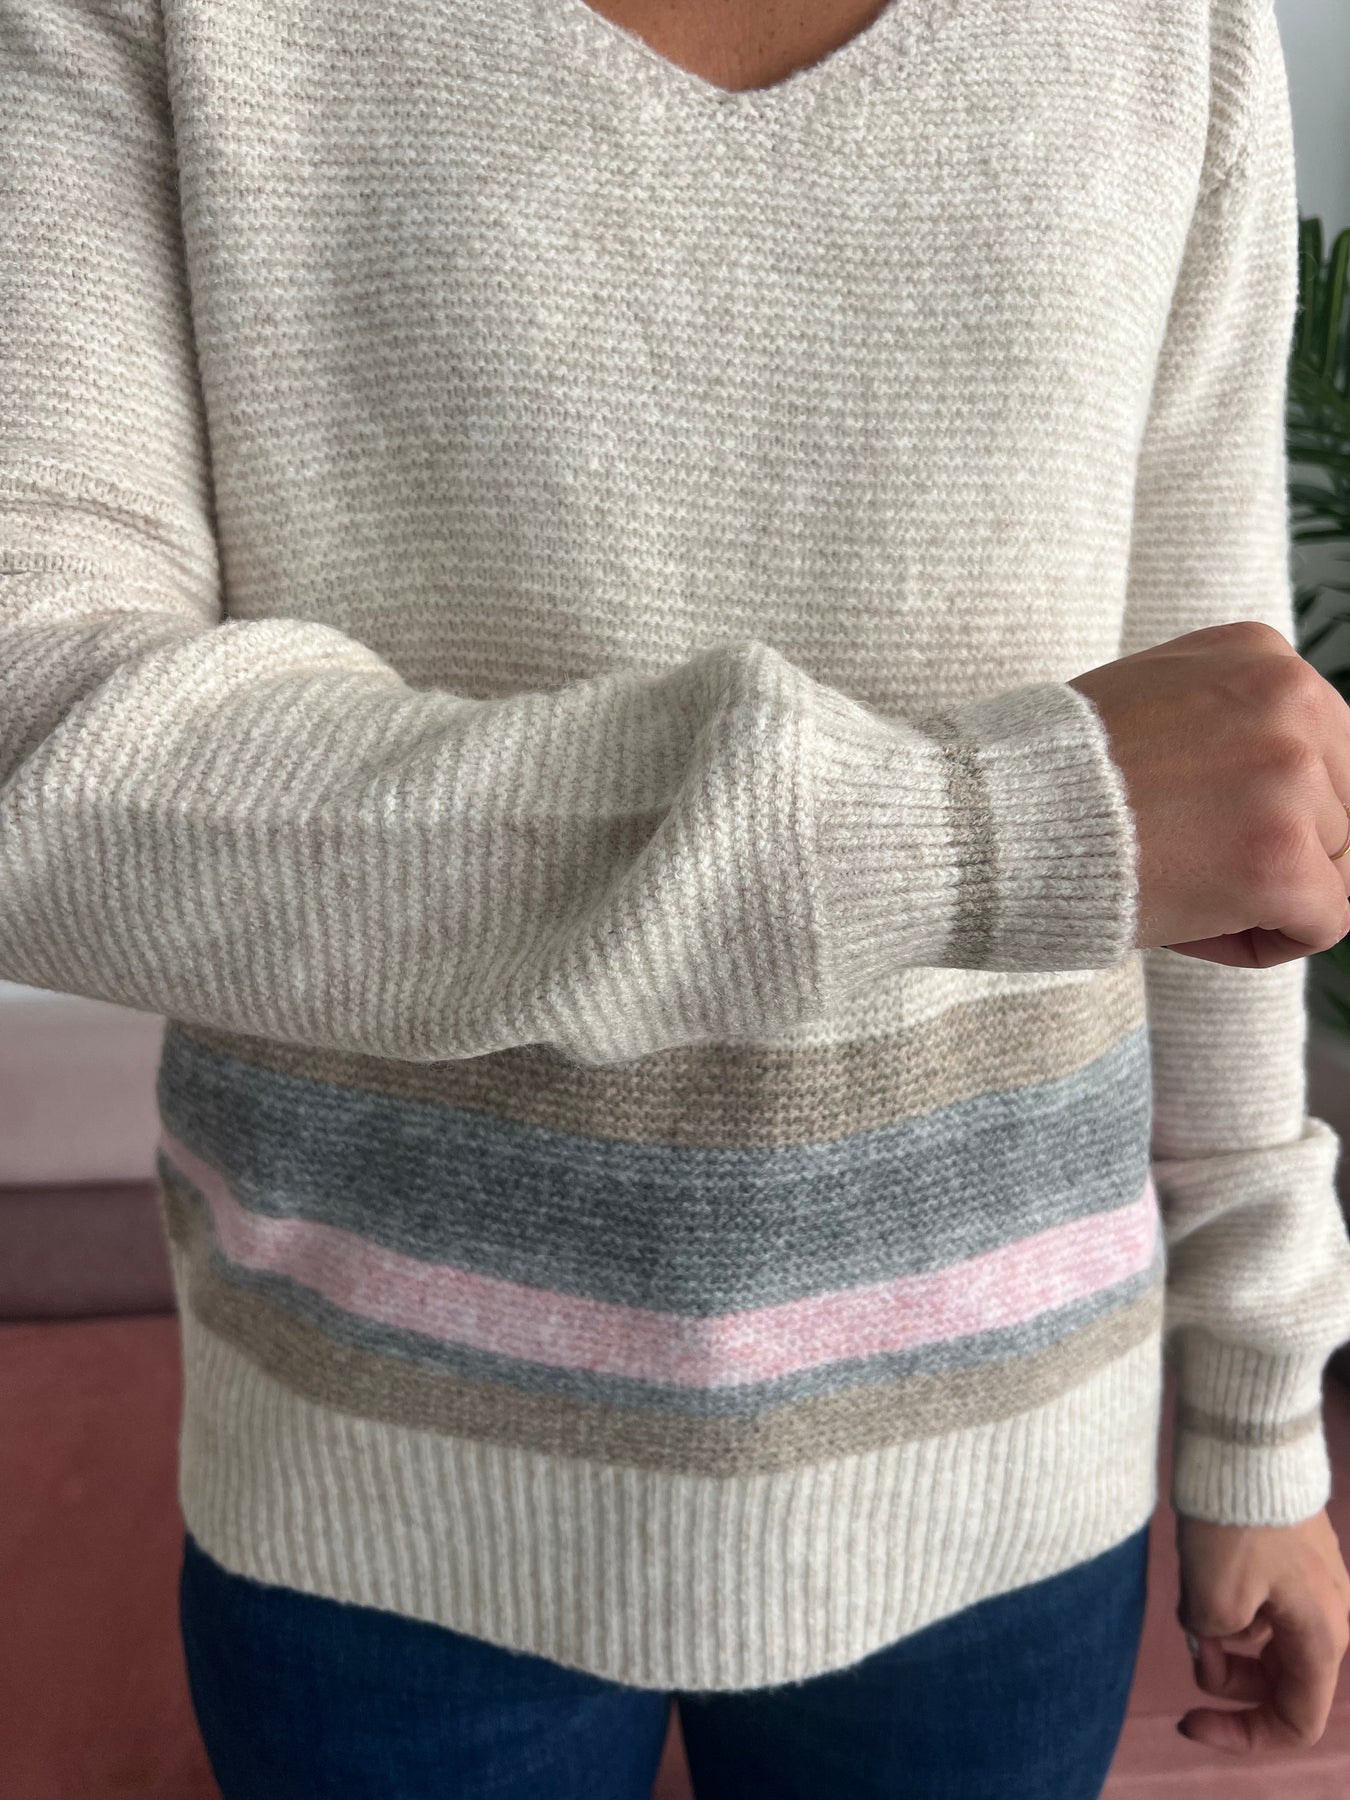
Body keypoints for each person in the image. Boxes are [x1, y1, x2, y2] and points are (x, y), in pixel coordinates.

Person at [3, 0, 1350, 1793]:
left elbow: (1236, 781)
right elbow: (39, 746)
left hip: (1003, 1458)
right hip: (379, 1475)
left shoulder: (1165, 25)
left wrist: (1259, 1409)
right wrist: (974, 832)